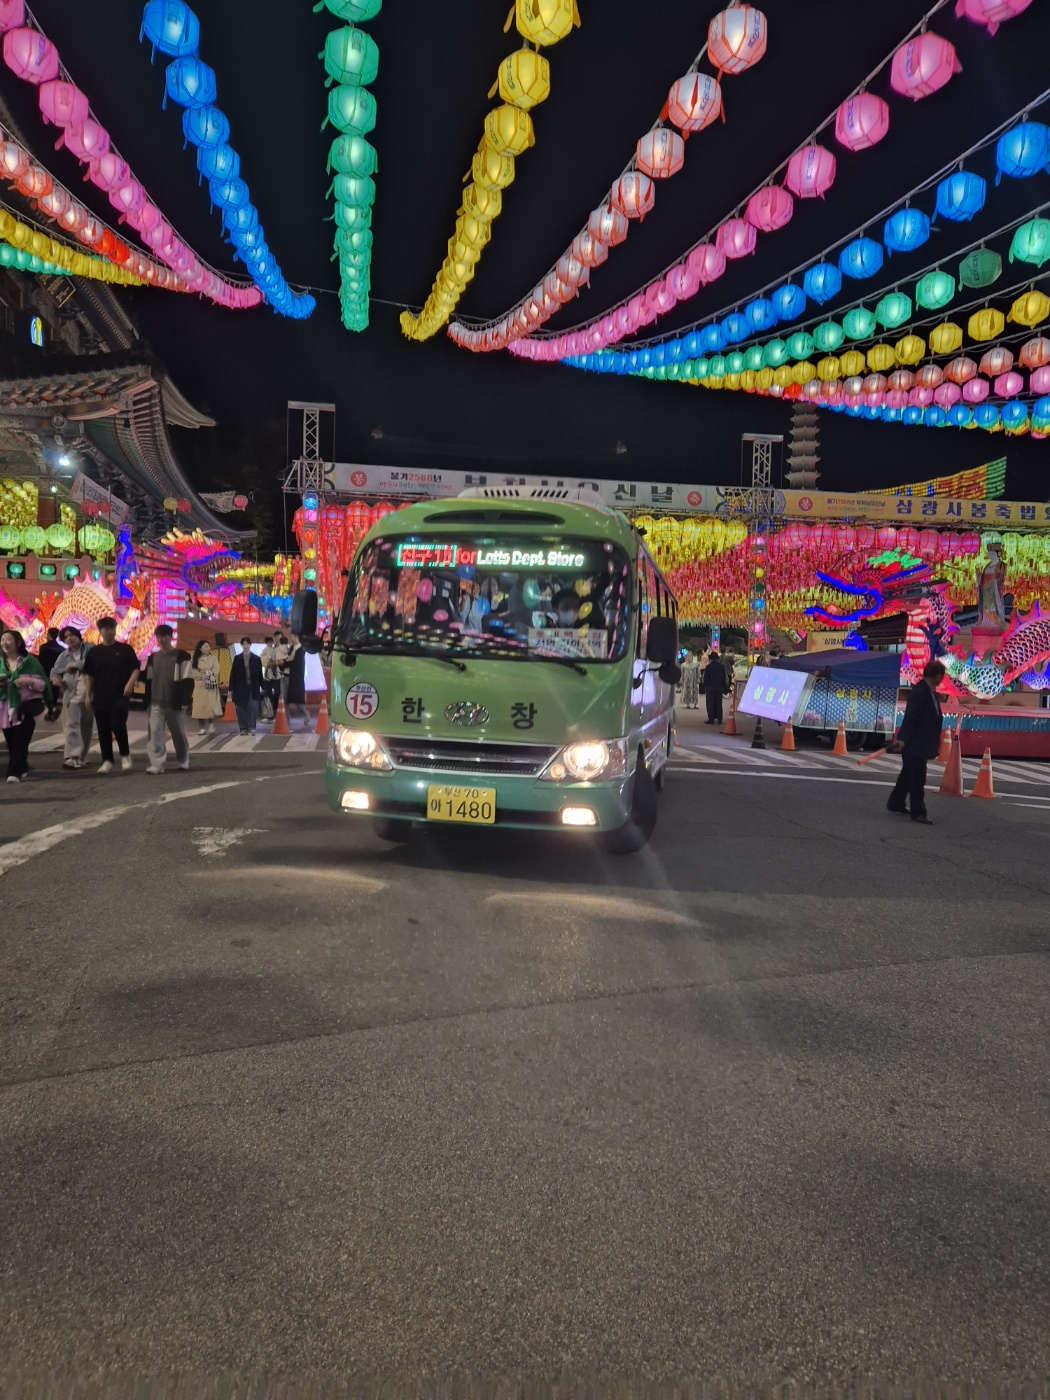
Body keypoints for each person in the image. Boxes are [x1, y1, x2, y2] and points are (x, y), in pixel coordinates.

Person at [887, 659, 945, 825]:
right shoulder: (921, 692)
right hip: (914, 742)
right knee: (918, 777)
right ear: (937, 676)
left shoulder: (929, 691)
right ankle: (918, 812)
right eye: (942, 676)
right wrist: (902, 739)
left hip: (920, 741)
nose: (942, 680)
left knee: (908, 774)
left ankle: (895, 803)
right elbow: (910, 717)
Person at [82, 616, 139, 774]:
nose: (109, 631)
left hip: (120, 695)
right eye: (106, 629)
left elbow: (136, 668)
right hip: (100, 696)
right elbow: (89, 676)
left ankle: (125, 756)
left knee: (118, 724)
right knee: (102, 728)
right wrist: (88, 695)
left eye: (111, 628)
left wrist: (129, 684)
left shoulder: (125, 650)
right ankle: (107, 760)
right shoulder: (95, 652)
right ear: (100, 631)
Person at [0, 628, 52, 783]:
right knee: (11, 741)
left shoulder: (30, 662)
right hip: (5, 708)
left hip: (26, 707)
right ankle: (22, 766)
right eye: (2, 640)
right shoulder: (1, 663)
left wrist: (27, 681)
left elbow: (43, 684)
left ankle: (13, 772)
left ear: (18, 642)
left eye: (8, 639)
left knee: (20, 740)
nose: (5, 643)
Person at [143, 624, 192, 775]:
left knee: (178, 734)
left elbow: (188, 679)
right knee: (155, 734)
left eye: (164, 636)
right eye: (158, 636)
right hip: (156, 703)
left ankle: (183, 759)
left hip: (174, 703)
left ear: (171, 637)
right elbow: (148, 680)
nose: (161, 639)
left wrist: (185, 700)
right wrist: (147, 701)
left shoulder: (182, 656)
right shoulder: (152, 658)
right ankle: (157, 764)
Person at [50, 626, 94, 769]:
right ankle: (72, 757)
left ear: (78, 635)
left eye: (72, 635)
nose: (69, 638)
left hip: (89, 694)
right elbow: (54, 672)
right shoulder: (63, 656)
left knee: (87, 728)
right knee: (71, 726)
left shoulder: (89, 648)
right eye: (66, 636)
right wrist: (55, 680)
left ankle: (82, 756)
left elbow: (93, 664)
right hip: (71, 694)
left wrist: (75, 665)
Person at [228, 637, 263, 735]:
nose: (245, 646)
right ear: (241, 646)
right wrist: (231, 687)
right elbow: (233, 674)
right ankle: (243, 728)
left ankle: (252, 727)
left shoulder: (256, 658)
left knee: (252, 706)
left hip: (253, 686)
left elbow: (260, 674)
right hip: (240, 686)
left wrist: (263, 687)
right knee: (240, 707)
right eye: (244, 644)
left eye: (247, 644)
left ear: (250, 645)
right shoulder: (237, 658)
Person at [190, 639, 222, 737]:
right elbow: (193, 672)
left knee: (210, 705)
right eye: (205, 646)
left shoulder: (213, 658)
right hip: (200, 685)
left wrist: (208, 673)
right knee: (200, 706)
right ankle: (202, 728)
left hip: (211, 684)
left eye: (208, 646)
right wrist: (201, 675)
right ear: (200, 648)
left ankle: (211, 724)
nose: (208, 648)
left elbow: (216, 669)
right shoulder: (195, 659)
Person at [283, 634, 310, 729]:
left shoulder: (301, 649)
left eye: (294, 636)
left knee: (296, 699)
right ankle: (286, 719)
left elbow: (296, 663)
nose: (292, 638)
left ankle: (305, 713)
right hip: (285, 675)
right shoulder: (291, 648)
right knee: (284, 698)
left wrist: (284, 663)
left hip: (295, 677)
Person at [703, 649, 727, 725]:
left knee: (710, 703)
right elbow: (724, 678)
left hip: (710, 687)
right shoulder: (721, 667)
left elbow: (706, 678)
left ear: (710, 659)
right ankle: (719, 719)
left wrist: (705, 686)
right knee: (719, 703)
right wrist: (723, 686)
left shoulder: (708, 667)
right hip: (719, 687)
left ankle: (711, 719)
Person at [260, 635, 281, 714]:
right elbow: (264, 659)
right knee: (268, 691)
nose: (270, 643)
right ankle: (270, 707)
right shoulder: (266, 650)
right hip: (269, 672)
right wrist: (268, 663)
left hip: (274, 672)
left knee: (276, 691)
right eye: (269, 642)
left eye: (271, 642)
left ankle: (275, 706)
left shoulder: (273, 650)